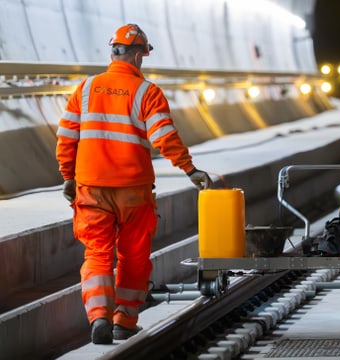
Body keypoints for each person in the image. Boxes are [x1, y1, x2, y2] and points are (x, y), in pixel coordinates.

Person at [55, 24, 213, 345]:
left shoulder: (85, 89)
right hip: (133, 191)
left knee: (98, 253)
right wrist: (190, 169)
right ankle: (123, 321)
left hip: (91, 188)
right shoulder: (146, 92)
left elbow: (67, 137)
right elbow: (163, 137)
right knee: (133, 256)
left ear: (113, 52)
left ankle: (98, 316)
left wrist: (68, 176)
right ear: (139, 55)